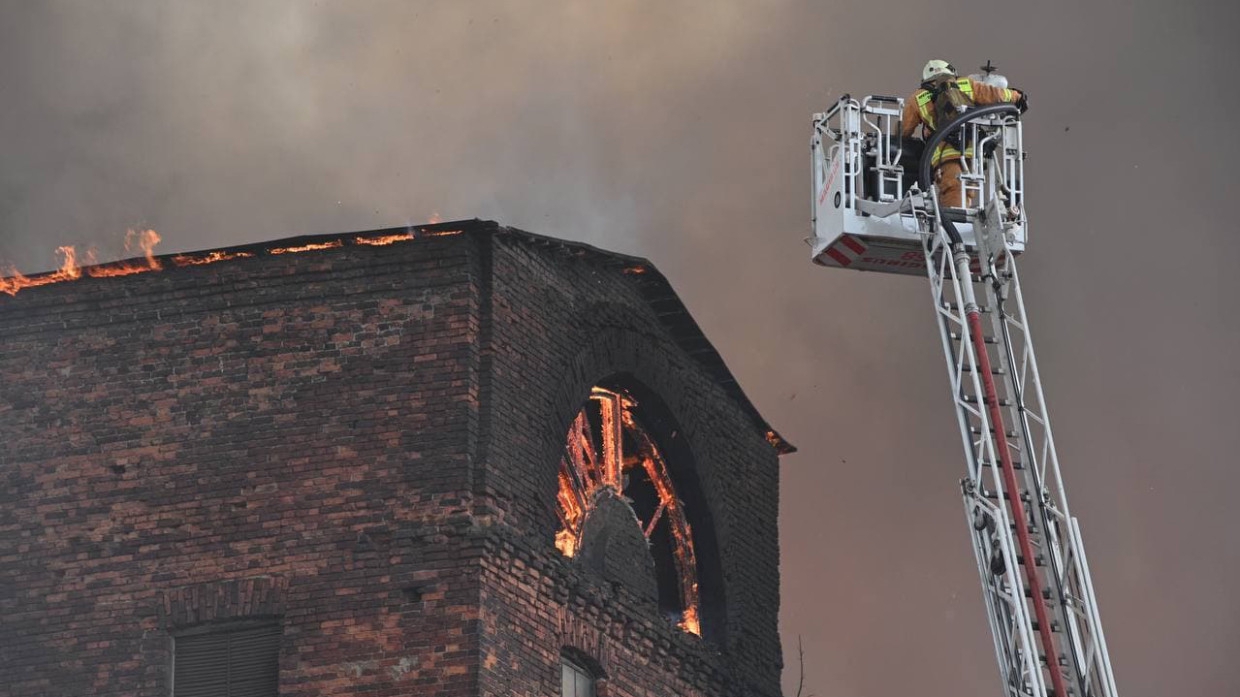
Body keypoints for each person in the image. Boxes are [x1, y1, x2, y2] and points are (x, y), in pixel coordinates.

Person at [902, 60, 1026, 209]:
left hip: (942, 153)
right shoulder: (965, 84)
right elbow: (994, 94)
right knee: (967, 189)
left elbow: (904, 132)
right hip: (970, 150)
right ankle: (959, 220)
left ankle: (954, 223)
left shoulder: (918, 97)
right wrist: (1016, 96)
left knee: (952, 188)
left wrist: (896, 147)